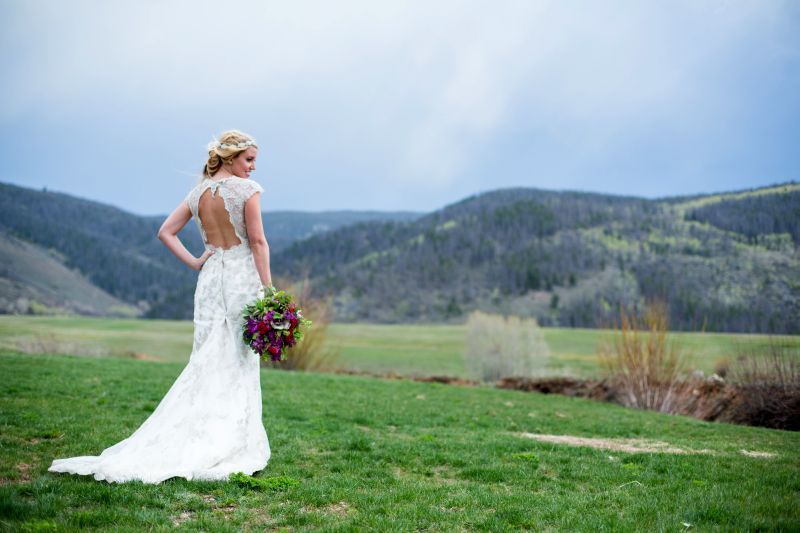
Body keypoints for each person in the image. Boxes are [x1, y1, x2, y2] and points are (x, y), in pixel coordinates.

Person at [48, 130, 272, 483]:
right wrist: (270, 289)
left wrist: (197, 262)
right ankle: (229, 442)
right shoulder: (248, 192)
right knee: (237, 359)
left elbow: (165, 232)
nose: (254, 167)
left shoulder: (198, 193)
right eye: (249, 159)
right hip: (243, 278)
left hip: (211, 280)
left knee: (206, 359)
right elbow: (257, 241)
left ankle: (203, 435)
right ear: (230, 158)